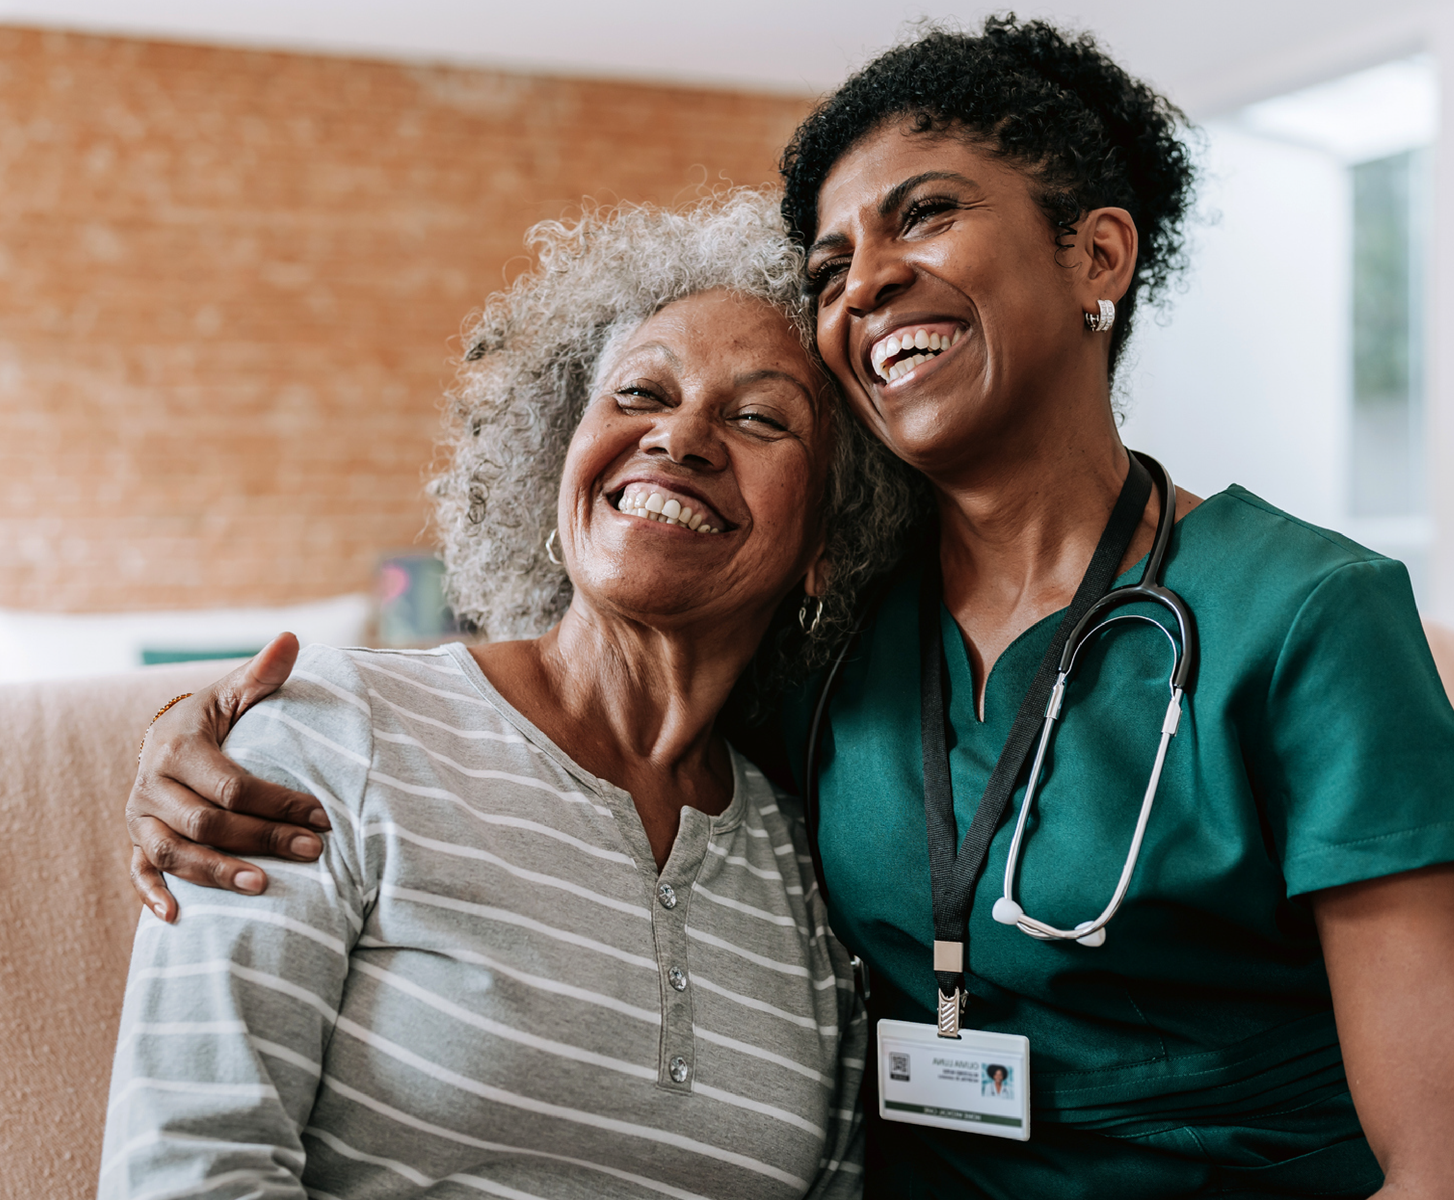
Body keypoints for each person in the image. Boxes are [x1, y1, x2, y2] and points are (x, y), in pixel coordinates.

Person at [122, 17, 1454, 1199]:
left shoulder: (1307, 616)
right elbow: (578, 709)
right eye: (829, 264)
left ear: (1097, 257)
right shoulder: (826, 649)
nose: (867, 280)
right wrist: (185, 743)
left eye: (923, 215)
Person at [99, 191, 921, 1200]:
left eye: (756, 418)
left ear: (830, 546)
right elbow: (189, 1166)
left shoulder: (807, 867)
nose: (682, 438)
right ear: (557, 464)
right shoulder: (335, 738)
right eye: (637, 396)